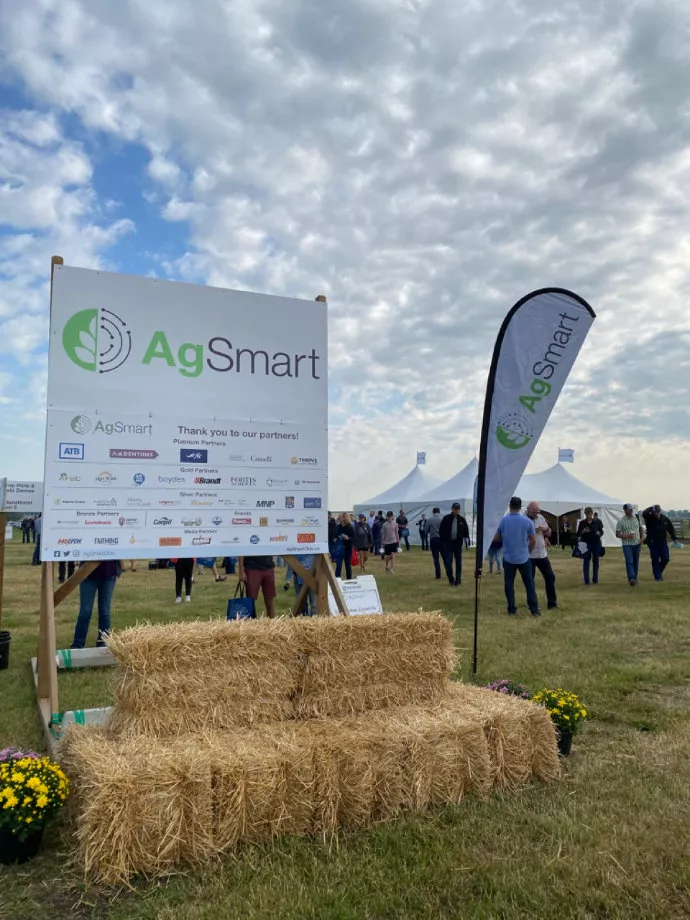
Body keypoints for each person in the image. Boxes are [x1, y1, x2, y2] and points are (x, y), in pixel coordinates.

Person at [497, 496, 540, 616]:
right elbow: (533, 540)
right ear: (521, 507)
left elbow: (498, 537)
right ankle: (534, 609)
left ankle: (512, 609)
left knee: (509, 584)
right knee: (529, 584)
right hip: (524, 557)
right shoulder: (527, 522)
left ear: (510, 506)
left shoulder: (503, 521)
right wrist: (528, 551)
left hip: (509, 557)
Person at [71, 560, 121, 648]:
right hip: (87, 574)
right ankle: (78, 644)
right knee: (85, 611)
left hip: (108, 573)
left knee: (105, 612)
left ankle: (103, 642)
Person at [526, 501, 558, 609]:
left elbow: (548, 533)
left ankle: (552, 603)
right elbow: (521, 534)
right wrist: (533, 530)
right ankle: (533, 604)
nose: (536, 514)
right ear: (528, 510)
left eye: (537, 512)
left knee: (550, 577)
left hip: (542, 554)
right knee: (530, 580)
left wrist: (546, 529)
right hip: (530, 555)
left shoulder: (541, 518)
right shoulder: (523, 519)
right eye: (534, 512)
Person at [641, 505, 678, 582]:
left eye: (658, 512)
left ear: (660, 511)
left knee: (666, 558)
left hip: (662, 542)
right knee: (655, 559)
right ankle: (658, 578)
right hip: (652, 542)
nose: (656, 514)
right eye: (655, 512)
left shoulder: (664, 519)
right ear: (653, 512)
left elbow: (670, 528)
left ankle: (658, 572)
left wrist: (674, 538)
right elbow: (644, 513)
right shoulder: (649, 518)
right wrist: (651, 508)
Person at [439, 503, 470, 587]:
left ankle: (458, 581)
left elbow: (466, 532)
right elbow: (441, 530)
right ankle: (451, 579)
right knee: (448, 562)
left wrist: (467, 543)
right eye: (455, 509)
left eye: (458, 509)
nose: (457, 510)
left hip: (458, 544)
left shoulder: (462, 520)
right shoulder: (446, 518)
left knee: (458, 563)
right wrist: (444, 541)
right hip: (448, 544)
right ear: (452, 509)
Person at [616, 503, 644, 586]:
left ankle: (634, 577)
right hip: (627, 544)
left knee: (636, 561)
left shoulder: (637, 518)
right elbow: (617, 534)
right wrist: (627, 536)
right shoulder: (621, 521)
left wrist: (642, 538)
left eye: (632, 509)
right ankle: (631, 578)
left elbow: (641, 528)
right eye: (629, 509)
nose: (631, 510)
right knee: (629, 561)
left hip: (637, 543)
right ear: (625, 510)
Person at [577, 507, 604, 585]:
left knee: (596, 561)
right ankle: (586, 581)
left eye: (589, 514)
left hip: (596, 543)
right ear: (585, 514)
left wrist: (599, 533)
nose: (588, 516)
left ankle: (595, 579)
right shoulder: (582, 523)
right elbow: (578, 533)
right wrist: (583, 531)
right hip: (586, 544)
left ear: (592, 513)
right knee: (586, 561)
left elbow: (602, 531)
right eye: (587, 514)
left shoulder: (598, 522)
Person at [336, 512, 355, 579]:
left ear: (345, 518)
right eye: (339, 517)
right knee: (338, 565)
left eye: (341, 517)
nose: (339, 518)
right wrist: (335, 538)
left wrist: (348, 538)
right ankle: (337, 580)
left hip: (347, 548)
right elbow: (335, 535)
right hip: (339, 549)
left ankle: (349, 579)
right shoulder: (338, 527)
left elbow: (353, 537)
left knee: (347, 565)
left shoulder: (350, 527)